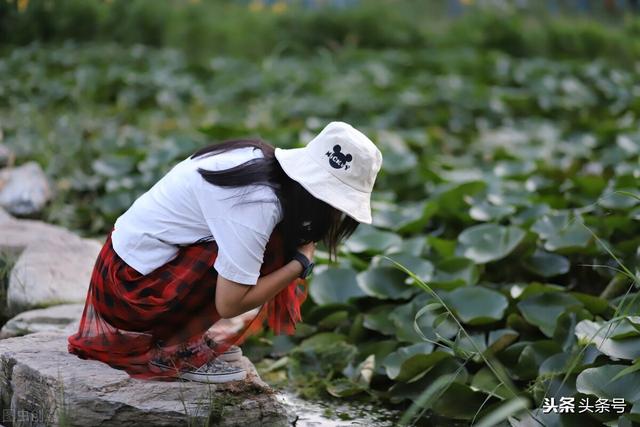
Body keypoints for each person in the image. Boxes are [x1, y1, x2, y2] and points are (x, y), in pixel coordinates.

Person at [67, 121, 383, 383]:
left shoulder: (260, 162)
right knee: (269, 253)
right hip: (129, 290)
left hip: (127, 265)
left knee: (262, 249)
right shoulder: (256, 203)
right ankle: (172, 350)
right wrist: (299, 265)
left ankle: (179, 338)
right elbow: (230, 304)